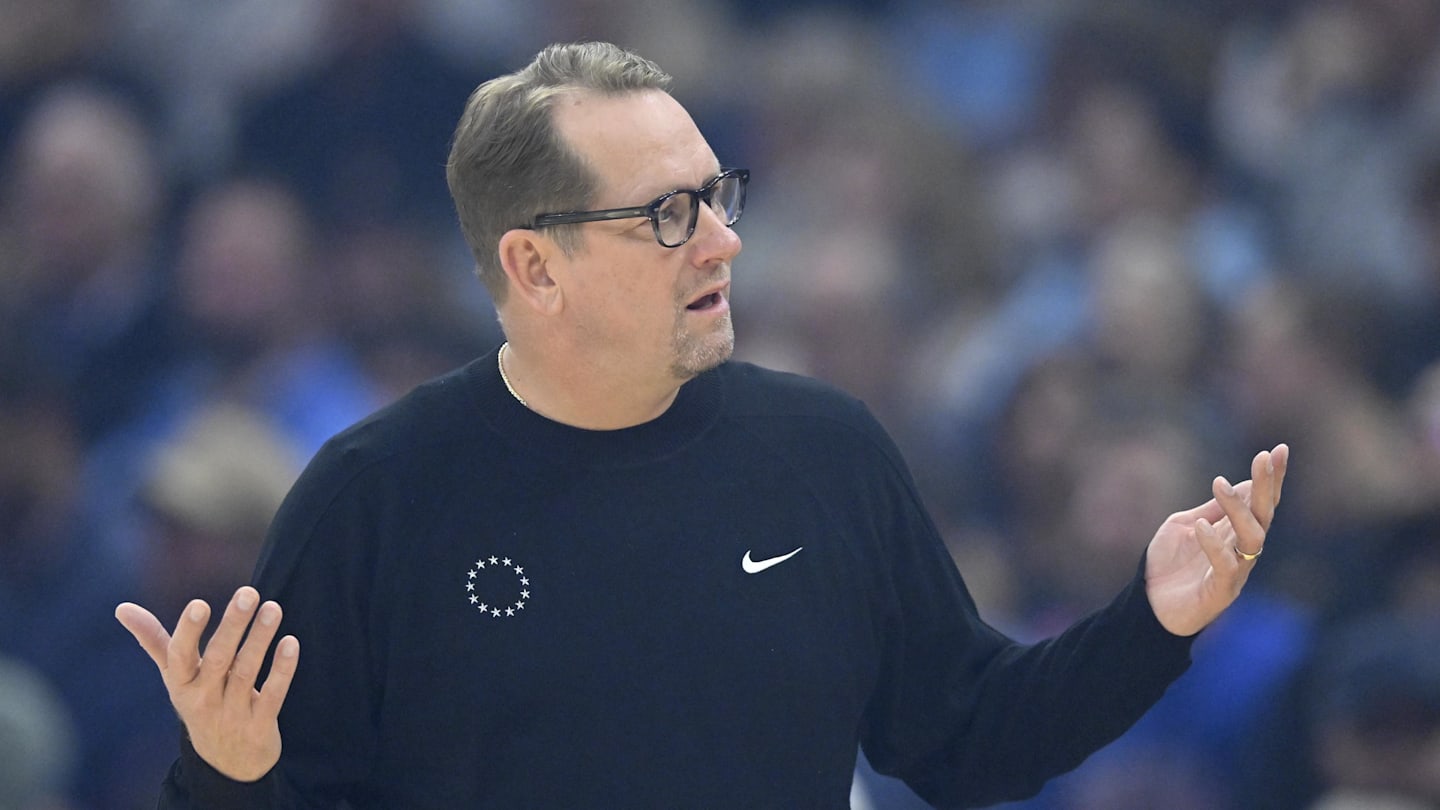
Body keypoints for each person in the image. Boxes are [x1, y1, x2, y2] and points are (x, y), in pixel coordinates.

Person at [115, 41, 1290, 809]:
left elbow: (969, 736)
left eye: (719, 195)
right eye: (670, 213)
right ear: (536, 264)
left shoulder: (826, 453)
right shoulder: (374, 496)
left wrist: (1153, 621)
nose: (725, 240)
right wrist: (223, 775)